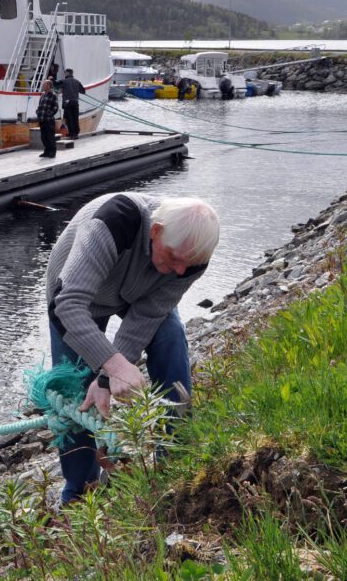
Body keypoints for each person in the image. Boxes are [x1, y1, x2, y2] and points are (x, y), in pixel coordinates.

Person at [46, 193, 220, 504]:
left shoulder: (190, 257)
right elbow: (67, 305)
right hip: (74, 295)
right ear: (156, 231)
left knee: (170, 336)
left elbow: (149, 314)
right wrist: (110, 366)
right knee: (72, 384)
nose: (181, 271)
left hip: (138, 291)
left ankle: (176, 455)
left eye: (188, 264)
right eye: (173, 257)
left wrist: (105, 379)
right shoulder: (114, 222)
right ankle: (79, 489)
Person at [60, 68, 86, 139]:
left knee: (69, 118)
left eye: (65, 73)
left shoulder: (64, 81)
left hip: (67, 103)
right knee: (75, 118)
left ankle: (72, 133)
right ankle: (76, 133)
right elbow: (83, 91)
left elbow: (57, 87)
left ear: (67, 73)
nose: (65, 74)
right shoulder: (77, 81)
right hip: (75, 102)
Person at [35, 78, 59, 158]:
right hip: (42, 120)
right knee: (44, 137)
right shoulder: (43, 95)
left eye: (44, 85)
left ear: (49, 86)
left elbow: (55, 107)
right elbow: (40, 106)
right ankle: (46, 151)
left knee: (50, 137)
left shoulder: (53, 95)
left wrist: (49, 114)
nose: (43, 86)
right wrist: (38, 112)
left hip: (48, 120)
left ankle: (52, 152)